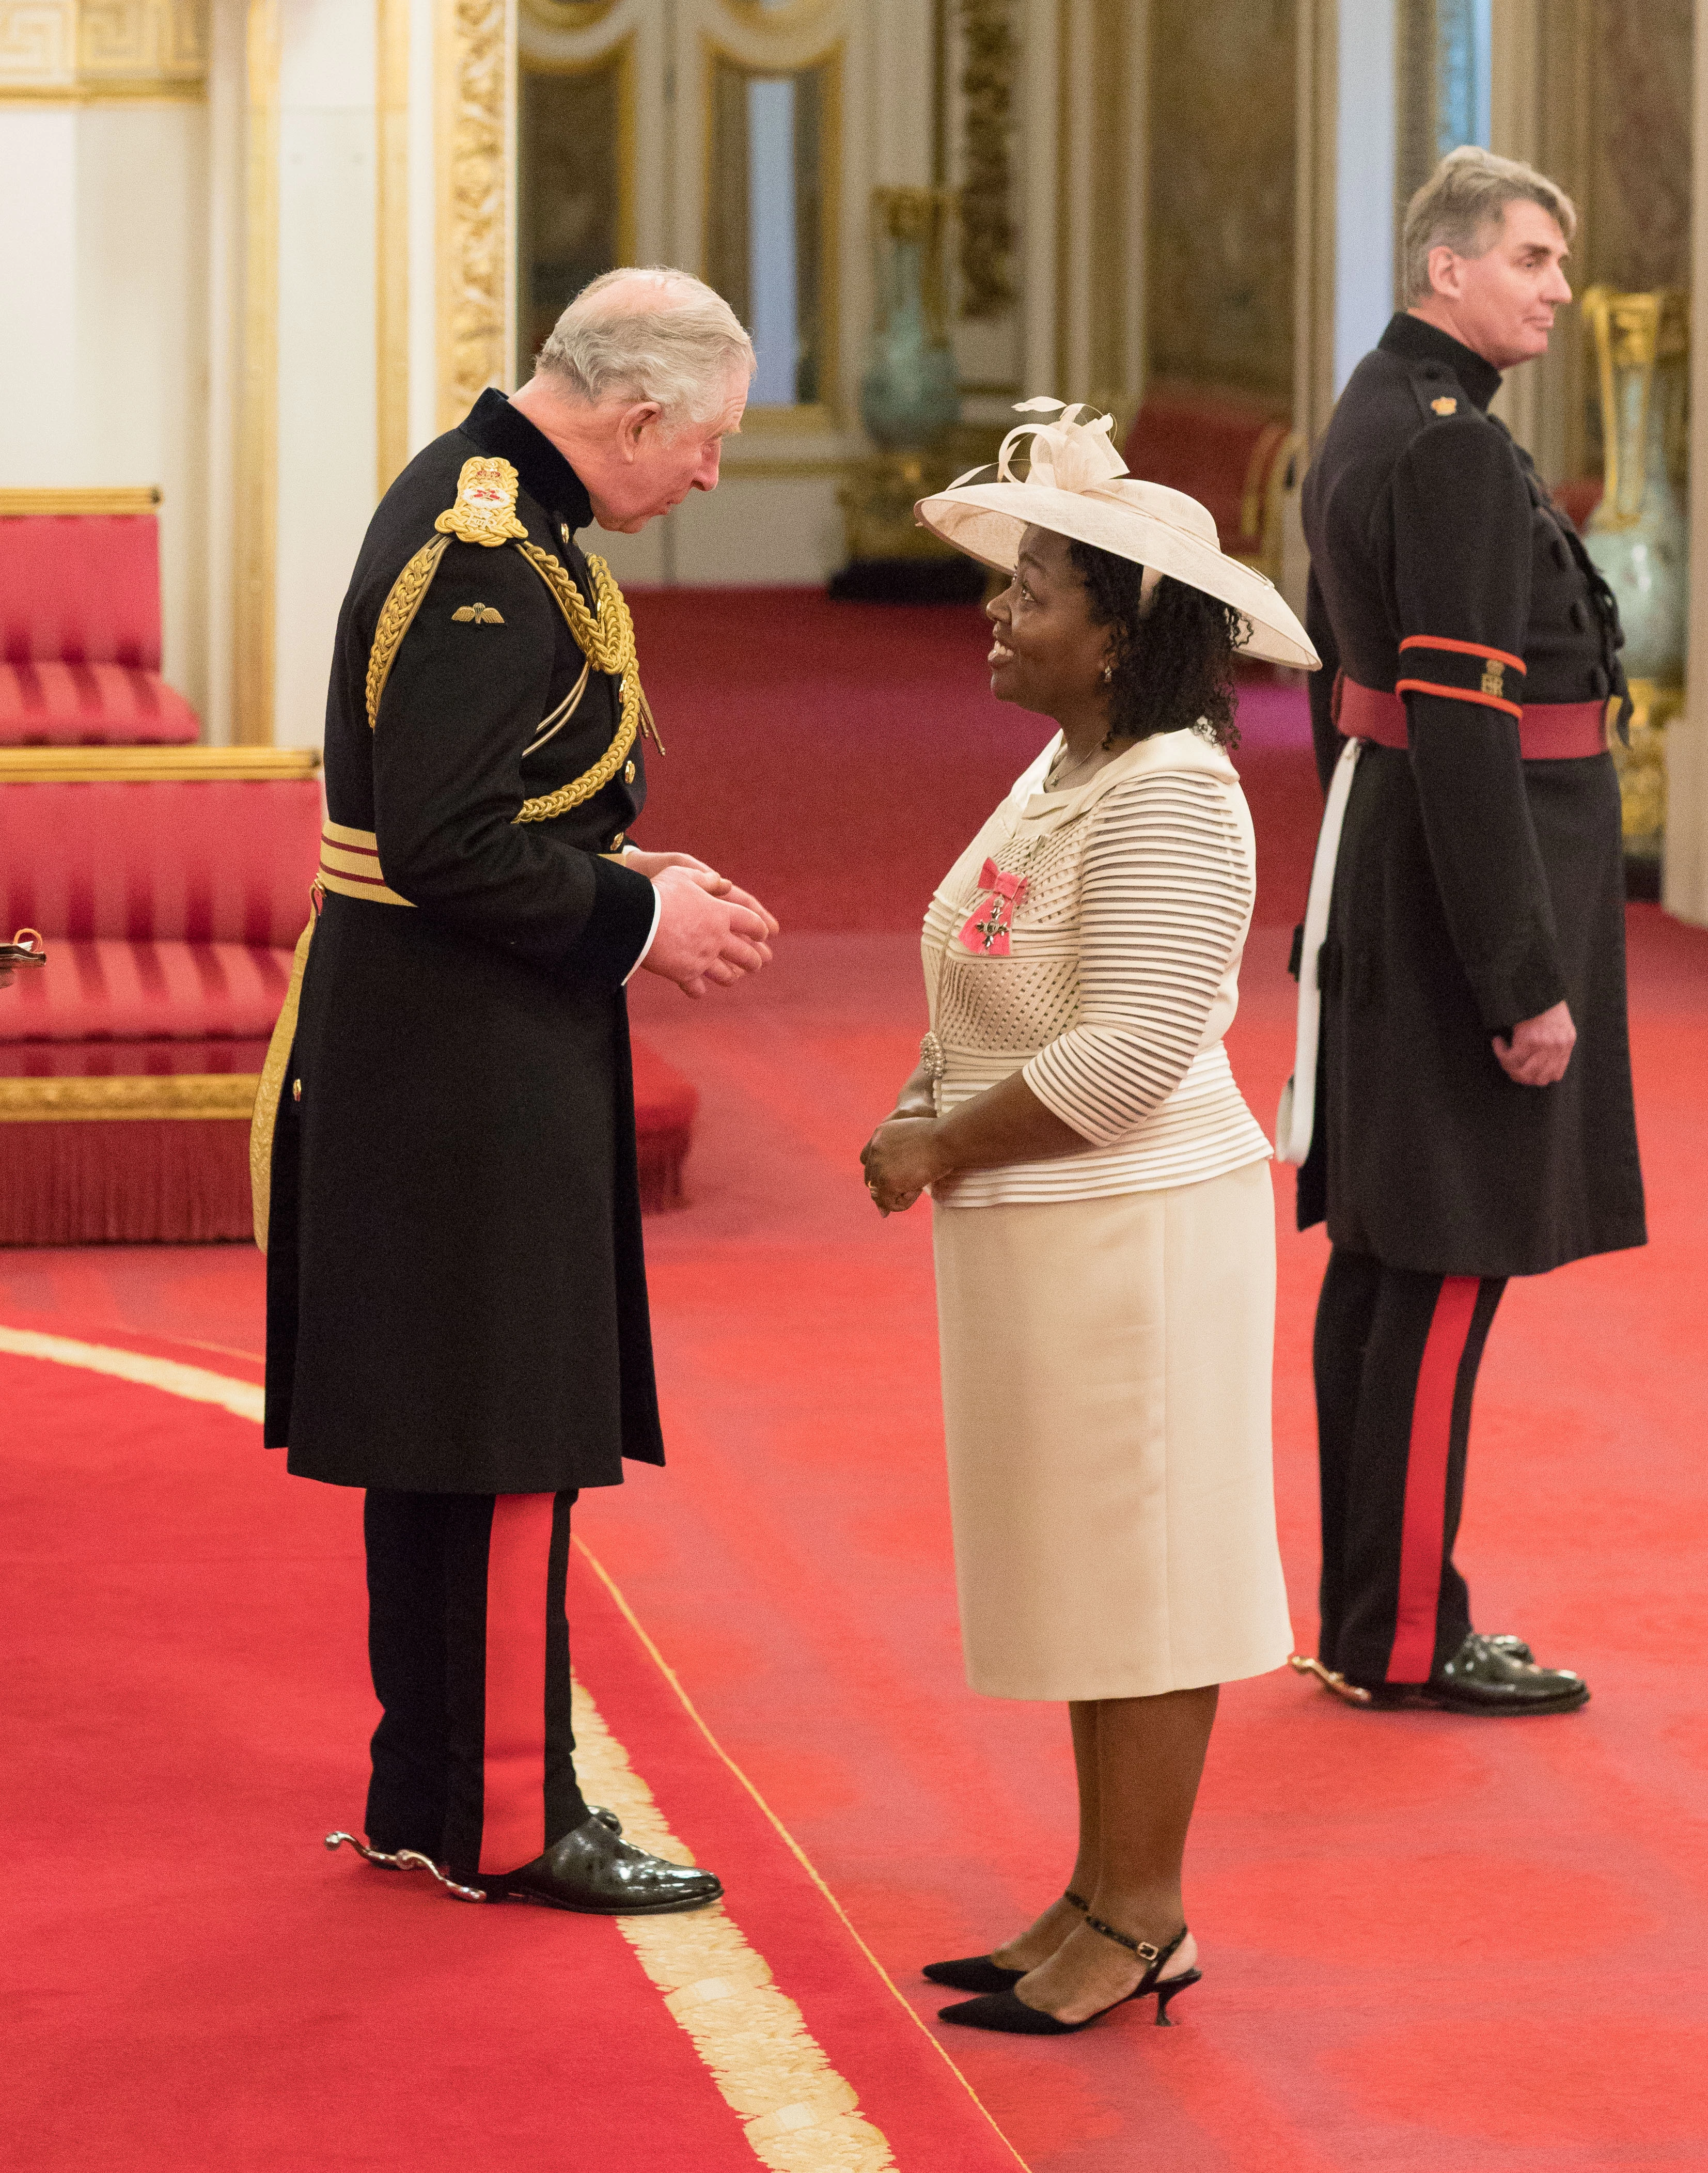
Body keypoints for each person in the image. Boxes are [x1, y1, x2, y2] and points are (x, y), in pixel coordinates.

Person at [257, 268, 778, 1913]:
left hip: (451, 1025)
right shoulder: (487, 550)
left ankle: (430, 1790)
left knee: (446, 1433)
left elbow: (495, 802)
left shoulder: (509, 505)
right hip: (462, 1048)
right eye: (702, 445)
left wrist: (619, 863)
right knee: (497, 1440)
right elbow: (448, 840)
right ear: (632, 417)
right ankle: (498, 1815)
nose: (708, 477)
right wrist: (638, 917)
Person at [859, 400, 1319, 2035]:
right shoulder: (1067, 764)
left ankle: (1142, 1912)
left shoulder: (1176, 795)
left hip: (1133, 1233)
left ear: (1123, 638)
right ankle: (1095, 1887)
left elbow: (1126, 1052)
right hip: (1038, 1225)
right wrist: (930, 1096)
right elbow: (979, 967)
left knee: (1147, 1571)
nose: (998, 607)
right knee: (1078, 1570)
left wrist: (939, 1144)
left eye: (1034, 587)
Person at [1282, 147, 1646, 1715]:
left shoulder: (1383, 411)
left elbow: (1338, 689)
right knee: (1436, 1273)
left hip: (1394, 858)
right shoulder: (1445, 453)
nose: (1558, 289)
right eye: (1532, 259)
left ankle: (1377, 1611)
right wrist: (1522, 978)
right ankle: (1404, 1635)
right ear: (1448, 272)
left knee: (1386, 1265)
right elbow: (1463, 721)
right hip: (1466, 897)